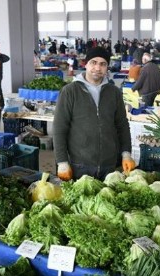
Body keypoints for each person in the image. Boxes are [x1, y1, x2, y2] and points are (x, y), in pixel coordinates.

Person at [52, 46, 133, 181]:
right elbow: (59, 128)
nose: (97, 68)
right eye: (93, 62)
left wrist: (126, 154)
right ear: (86, 64)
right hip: (79, 165)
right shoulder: (70, 91)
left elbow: (122, 126)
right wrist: (62, 162)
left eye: (103, 64)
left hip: (109, 165)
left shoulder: (114, 92)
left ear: (107, 67)